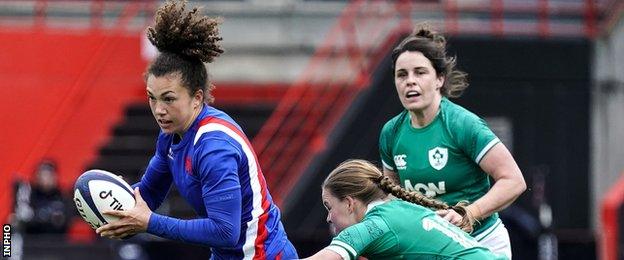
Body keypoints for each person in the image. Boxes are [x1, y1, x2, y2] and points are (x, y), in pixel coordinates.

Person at [95, 1, 298, 259]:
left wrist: (149, 223)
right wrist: (114, 206)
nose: (158, 110)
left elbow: (225, 232)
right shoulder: (170, 135)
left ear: (197, 98)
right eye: (152, 98)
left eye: (168, 99)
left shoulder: (214, 148)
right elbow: (149, 193)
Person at [378, 24, 526, 258]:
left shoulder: (462, 125)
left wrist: (469, 212)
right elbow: (391, 196)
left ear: (439, 79)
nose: (410, 81)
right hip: (426, 246)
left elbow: (514, 181)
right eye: (402, 74)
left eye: (420, 72)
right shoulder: (391, 132)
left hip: (480, 242)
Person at [303, 159, 506, 260]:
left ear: (349, 203)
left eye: (329, 207)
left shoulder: (374, 226)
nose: (329, 218)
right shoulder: (401, 208)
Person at [13, 159, 70, 235]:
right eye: (42, 175)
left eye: (48, 175)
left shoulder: (62, 196)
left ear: (55, 177)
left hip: (57, 241)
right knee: (10, 224)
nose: (45, 179)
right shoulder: (30, 194)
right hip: (32, 239)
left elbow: (65, 220)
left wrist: (38, 216)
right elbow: (23, 216)